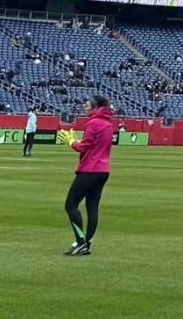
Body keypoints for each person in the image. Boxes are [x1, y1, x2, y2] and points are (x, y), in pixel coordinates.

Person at [63, 95, 114, 256]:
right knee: (92, 208)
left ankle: (80, 242)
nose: (84, 107)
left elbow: (83, 147)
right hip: (103, 170)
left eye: (86, 105)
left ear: (94, 107)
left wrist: (71, 141)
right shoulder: (108, 123)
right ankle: (86, 243)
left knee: (70, 204)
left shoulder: (93, 123)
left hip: (89, 170)